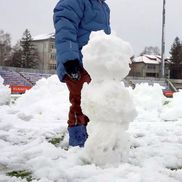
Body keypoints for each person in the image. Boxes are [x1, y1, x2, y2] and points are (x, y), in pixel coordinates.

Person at [53, 0, 111, 147]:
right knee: (81, 101)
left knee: (97, 101)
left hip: (96, 64)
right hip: (77, 62)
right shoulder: (74, 2)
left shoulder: (103, 6)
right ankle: (78, 139)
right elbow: (65, 28)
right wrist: (70, 59)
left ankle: (95, 138)